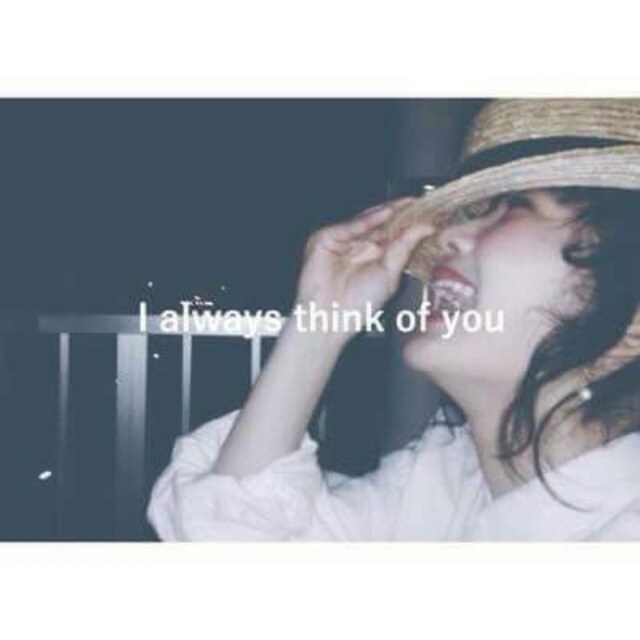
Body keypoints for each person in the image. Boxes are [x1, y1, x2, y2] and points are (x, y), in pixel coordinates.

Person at [147, 99, 640, 540]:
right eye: (475, 211)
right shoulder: (436, 486)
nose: (448, 237)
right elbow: (230, 537)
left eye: (515, 208)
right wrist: (319, 324)